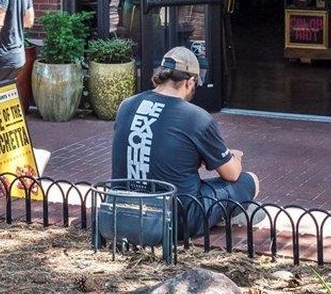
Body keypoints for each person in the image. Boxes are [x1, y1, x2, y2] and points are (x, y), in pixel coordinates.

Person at [110, 44, 258, 237]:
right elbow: (231, 174)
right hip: (176, 217)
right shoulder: (197, 117)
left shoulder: (126, 105)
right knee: (249, 180)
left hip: (122, 208)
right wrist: (234, 157)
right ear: (190, 82)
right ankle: (223, 217)